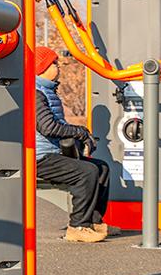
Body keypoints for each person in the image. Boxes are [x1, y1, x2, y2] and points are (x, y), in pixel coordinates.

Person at [33, 47, 112, 243]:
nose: (58, 66)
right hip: (38, 157)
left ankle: (93, 222)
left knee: (101, 168)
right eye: (54, 63)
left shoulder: (47, 90)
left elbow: (57, 125)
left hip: (52, 152)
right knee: (86, 172)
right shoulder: (34, 93)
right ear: (41, 67)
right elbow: (48, 127)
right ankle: (78, 226)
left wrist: (79, 135)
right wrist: (79, 132)